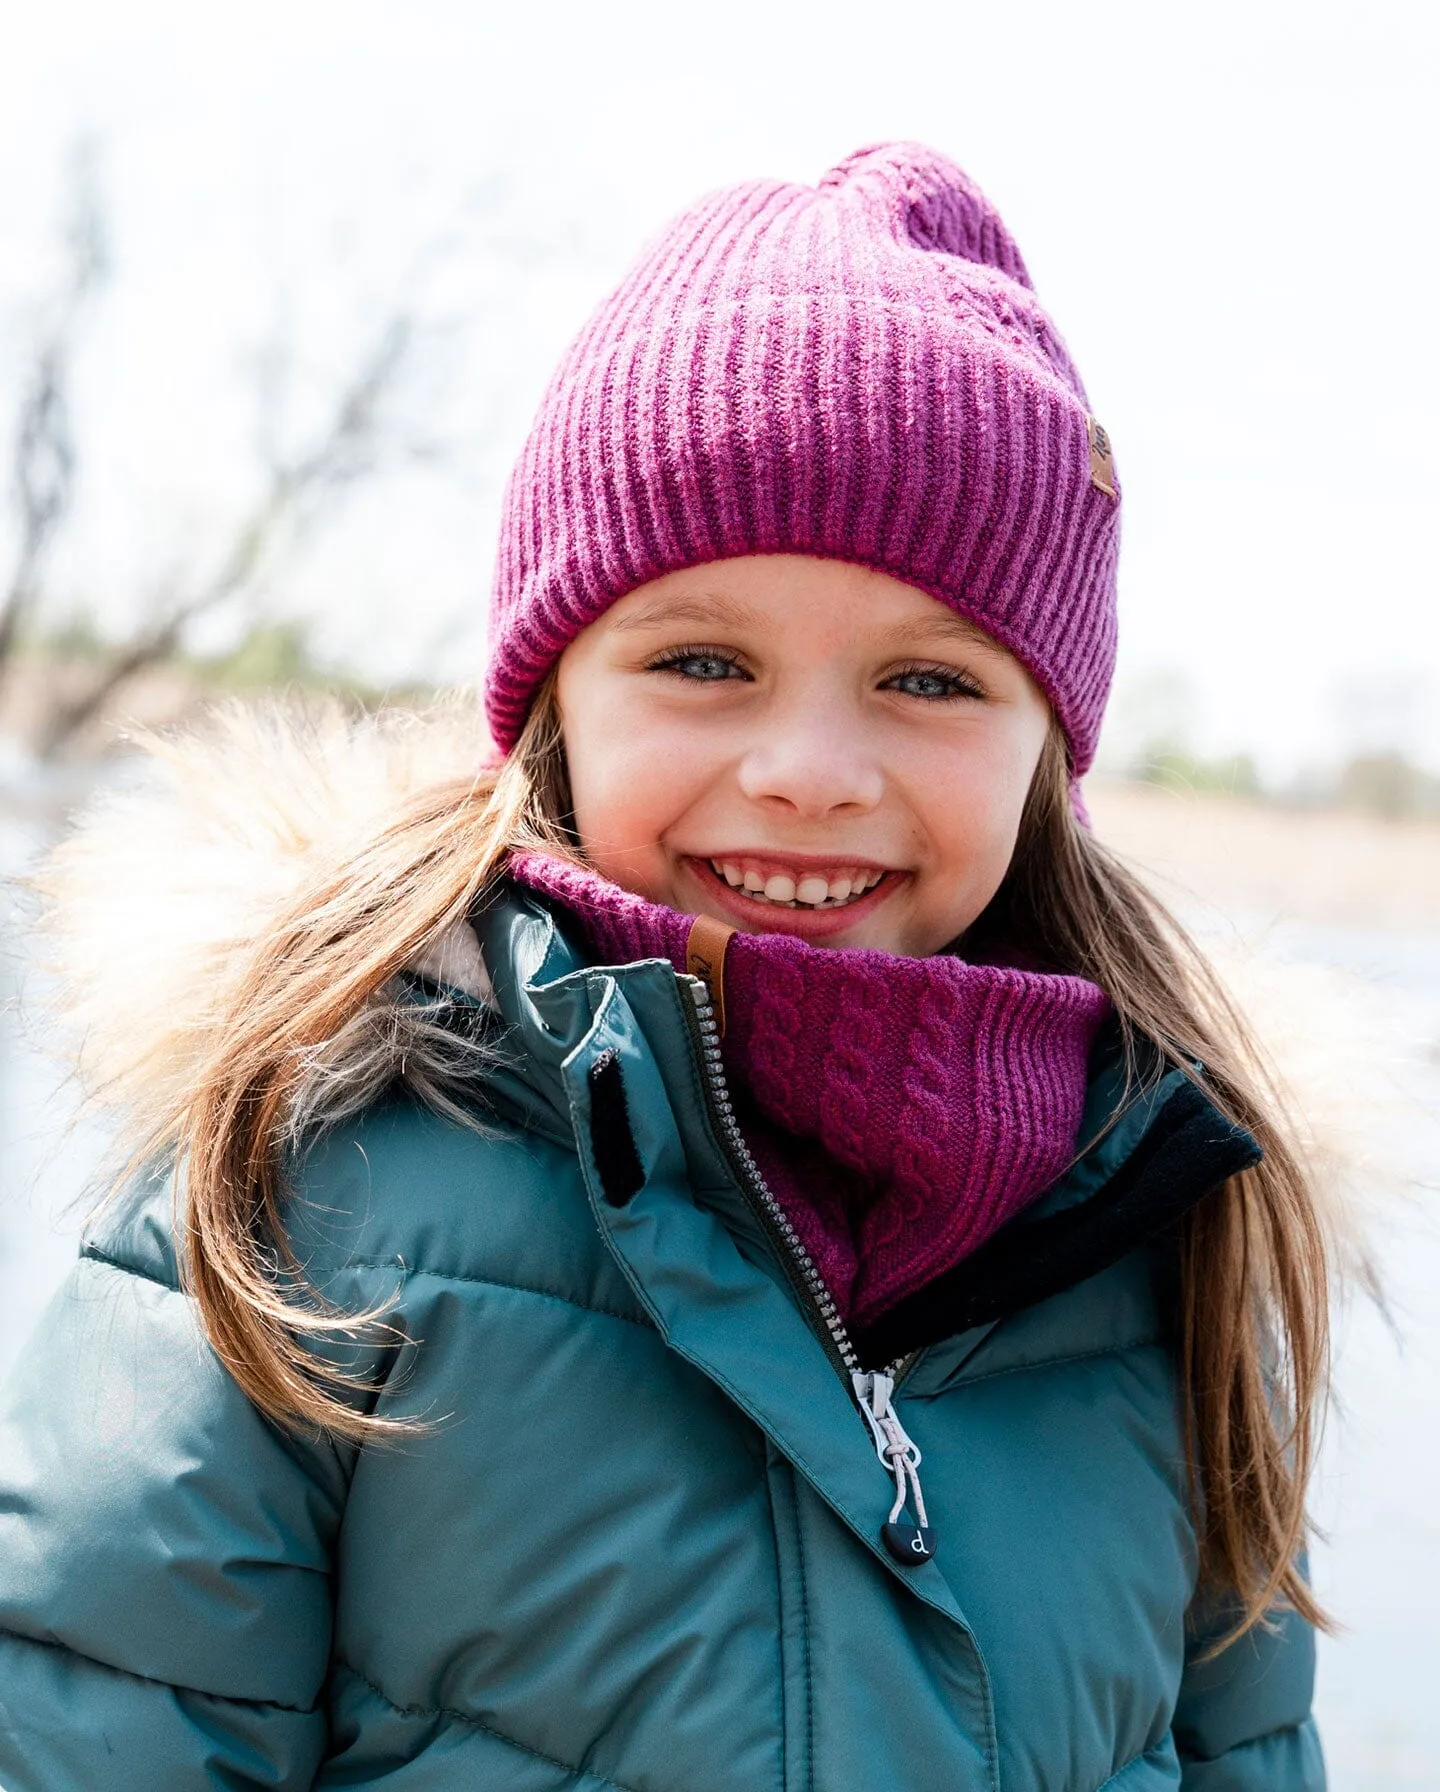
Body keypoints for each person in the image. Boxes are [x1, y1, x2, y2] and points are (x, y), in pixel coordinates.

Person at [0, 142, 1329, 1790]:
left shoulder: (1163, 1218)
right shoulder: (309, 1188)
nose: (809, 769)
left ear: (1049, 748)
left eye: (931, 681)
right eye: (704, 660)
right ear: (556, 698)